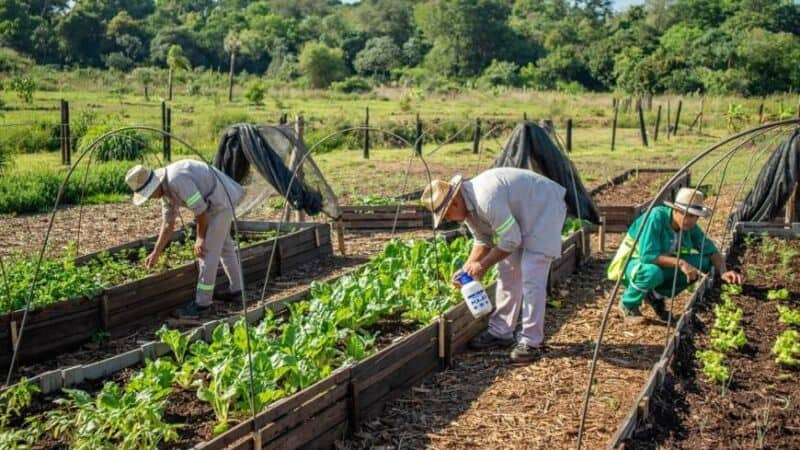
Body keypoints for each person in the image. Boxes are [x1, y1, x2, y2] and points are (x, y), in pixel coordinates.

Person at [421, 167, 568, 363]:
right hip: (521, 216)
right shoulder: (467, 209)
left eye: (446, 215)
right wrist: (467, 267)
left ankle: (531, 341)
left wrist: (483, 266)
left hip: (543, 208)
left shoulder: (485, 199)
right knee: (508, 271)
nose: (448, 220)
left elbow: (511, 240)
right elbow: (482, 240)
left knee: (532, 274)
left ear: (454, 203)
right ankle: (501, 332)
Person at [125, 160, 245, 318]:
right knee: (225, 247)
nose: (151, 198)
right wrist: (156, 252)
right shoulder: (165, 193)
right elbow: (168, 224)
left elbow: (201, 212)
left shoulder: (177, 180)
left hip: (220, 202)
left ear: (154, 185)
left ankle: (202, 304)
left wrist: (200, 239)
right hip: (212, 203)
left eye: (149, 194)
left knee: (206, 252)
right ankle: (237, 290)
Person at [608, 187, 744, 324]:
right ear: (676, 210)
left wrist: (723, 272)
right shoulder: (655, 217)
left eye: (694, 216)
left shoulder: (689, 227)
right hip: (631, 264)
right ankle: (628, 304)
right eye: (687, 214)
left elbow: (711, 251)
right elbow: (648, 256)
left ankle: (655, 295)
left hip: (658, 265)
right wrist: (681, 263)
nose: (690, 220)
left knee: (704, 263)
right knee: (651, 272)